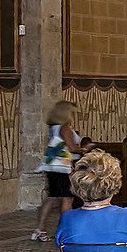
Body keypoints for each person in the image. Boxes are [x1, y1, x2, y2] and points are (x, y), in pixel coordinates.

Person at [31, 98, 82, 243]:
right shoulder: (64, 127)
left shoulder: (52, 127)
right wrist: (86, 149)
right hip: (62, 168)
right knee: (67, 198)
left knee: (52, 197)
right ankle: (66, 231)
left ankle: (40, 229)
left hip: (52, 167)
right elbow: (72, 148)